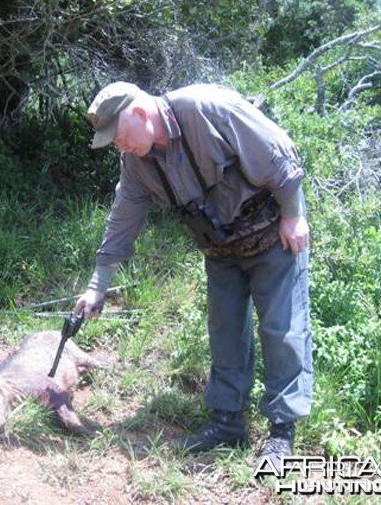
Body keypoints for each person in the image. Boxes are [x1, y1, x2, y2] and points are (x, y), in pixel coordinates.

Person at [74, 81, 312, 469]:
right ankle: (227, 424)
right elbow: (124, 217)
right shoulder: (136, 161)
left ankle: (282, 430)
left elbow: (277, 153)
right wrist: (97, 285)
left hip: (273, 236)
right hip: (220, 251)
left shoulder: (206, 107)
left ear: (138, 113)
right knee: (225, 332)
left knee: (282, 331)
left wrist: (293, 214)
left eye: (118, 137)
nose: (120, 146)